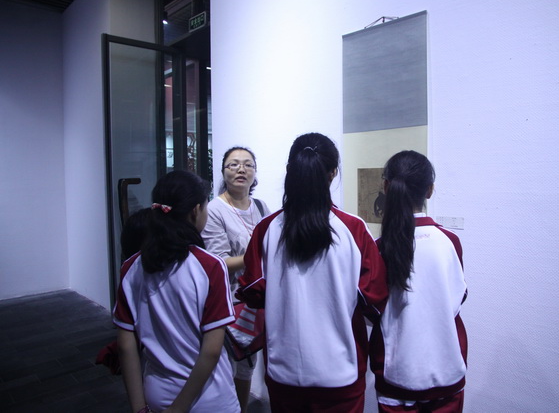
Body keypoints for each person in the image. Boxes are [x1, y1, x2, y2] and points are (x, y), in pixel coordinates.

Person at [237, 132, 388, 413]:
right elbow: (374, 298)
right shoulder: (353, 230)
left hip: (283, 370)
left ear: (290, 170)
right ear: (333, 173)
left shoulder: (266, 229)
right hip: (341, 373)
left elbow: (252, 291)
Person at [113, 170, 240, 413]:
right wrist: (179, 408)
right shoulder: (210, 266)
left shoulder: (131, 268)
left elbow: (126, 346)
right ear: (196, 210)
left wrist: (139, 408)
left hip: (157, 394)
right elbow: (211, 350)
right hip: (209, 398)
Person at [369, 151, 468, 413]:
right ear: (430, 190)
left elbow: (373, 308)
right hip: (446, 369)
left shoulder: (378, 247)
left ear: (386, 187)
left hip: (396, 373)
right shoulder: (450, 242)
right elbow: (457, 300)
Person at [201, 146, 270, 412]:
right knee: (227, 364)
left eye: (248, 164)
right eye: (233, 164)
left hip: (258, 299)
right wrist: (258, 252)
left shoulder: (261, 206)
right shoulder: (214, 210)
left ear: (255, 172)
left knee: (247, 364)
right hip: (230, 301)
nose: (241, 169)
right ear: (223, 171)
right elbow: (218, 262)